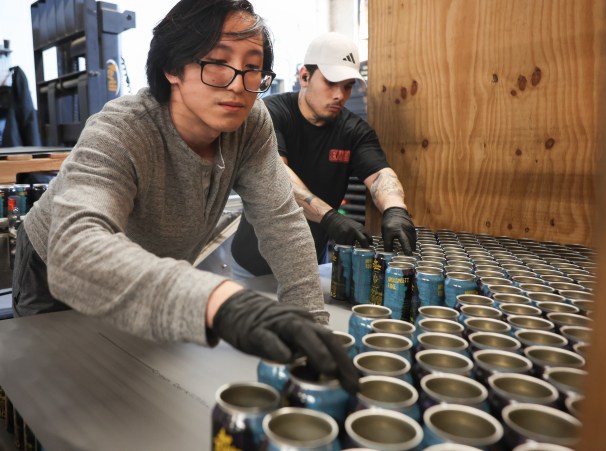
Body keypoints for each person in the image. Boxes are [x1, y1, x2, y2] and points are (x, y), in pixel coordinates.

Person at [11, 0, 357, 393]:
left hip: (150, 266)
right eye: (218, 62)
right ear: (172, 68)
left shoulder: (250, 124)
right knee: (55, 389)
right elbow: (75, 253)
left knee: (127, 381)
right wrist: (220, 301)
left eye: (252, 67)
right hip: (53, 267)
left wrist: (309, 330)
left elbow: (282, 223)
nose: (237, 84)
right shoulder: (122, 129)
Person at [231, 32, 416, 277]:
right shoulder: (270, 114)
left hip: (309, 263)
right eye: (331, 83)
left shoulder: (354, 131)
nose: (340, 95)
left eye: (347, 86)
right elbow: (275, 174)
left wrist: (395, 210)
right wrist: (329, 217)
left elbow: (379, 174)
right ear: (305, 76)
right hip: (255, 265)